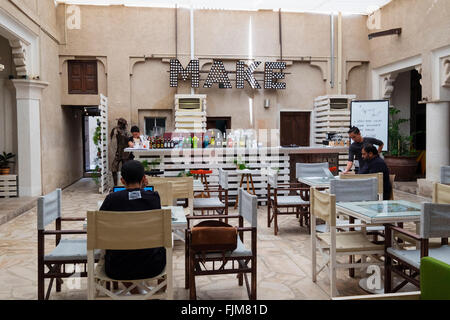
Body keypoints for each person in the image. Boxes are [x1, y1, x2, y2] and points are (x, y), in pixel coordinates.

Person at [99, 160, 166, 284]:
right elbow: (141, 198)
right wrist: (143, 188)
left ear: (122, 181)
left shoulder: (111, 200)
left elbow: (100, 229)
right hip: (152, 266)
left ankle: (135, 292)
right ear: (144, 179)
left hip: (117, 268)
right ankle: (146, 294)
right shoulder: (153, 198)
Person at [110, 118, 132, 186]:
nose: (119, 125)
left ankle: (126, 185)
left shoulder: (126, 132)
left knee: (125, 170)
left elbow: (129, 139)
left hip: (125, 154)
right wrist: (115, 130)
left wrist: (123, 134)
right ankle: (115, 186)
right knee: (113, 168)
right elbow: (111, 135)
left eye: (120, 124)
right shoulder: (116, 130)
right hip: (118, 153)